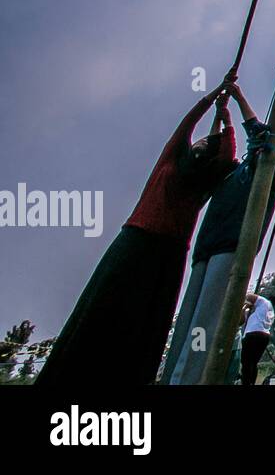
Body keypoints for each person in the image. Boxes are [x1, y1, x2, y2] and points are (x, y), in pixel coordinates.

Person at [38, 78, 239, 386]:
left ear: (200, 152)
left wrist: (216, 100)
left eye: (201, 144)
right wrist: (224, 116)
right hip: (158, 253)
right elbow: (223, 153)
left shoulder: (176, 165)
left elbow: (193, 127)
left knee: (117, 320)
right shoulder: (203, 180)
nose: (198, 144)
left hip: (144, 246)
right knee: (130, 325)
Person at [167, 84, 275, 384]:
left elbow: (260, 136)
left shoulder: (267, 171)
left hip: (230, 247)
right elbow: (218, 149)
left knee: (204, 325)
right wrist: (222, 117)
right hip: (206, 247)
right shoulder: (235, 170)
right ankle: (172, 378)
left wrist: (238, 97)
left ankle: (189, 381)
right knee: (187, 323)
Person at [240, 292, 275, 385]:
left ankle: (246, 382)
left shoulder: (264, 302)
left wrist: (245, 303)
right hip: (264, 336)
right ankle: (251, 382)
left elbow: (248, 295)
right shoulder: (271, 314)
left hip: (253, 334)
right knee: (253, 362)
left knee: (246, 362)